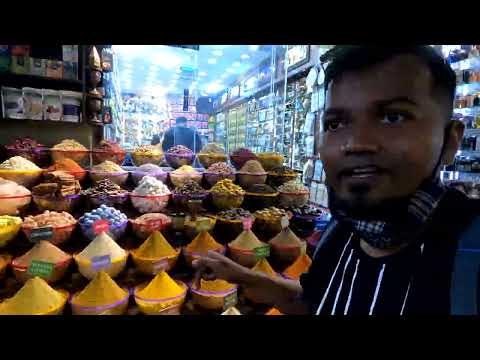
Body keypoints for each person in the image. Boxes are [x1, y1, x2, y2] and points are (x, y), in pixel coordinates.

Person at [193, 45, 480, 315]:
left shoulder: (469, 251)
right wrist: (240, 275)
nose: (354, 143)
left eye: (393, 117)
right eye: (336, 124)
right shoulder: (341, 231)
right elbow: (313, 300)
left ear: (451, 140)